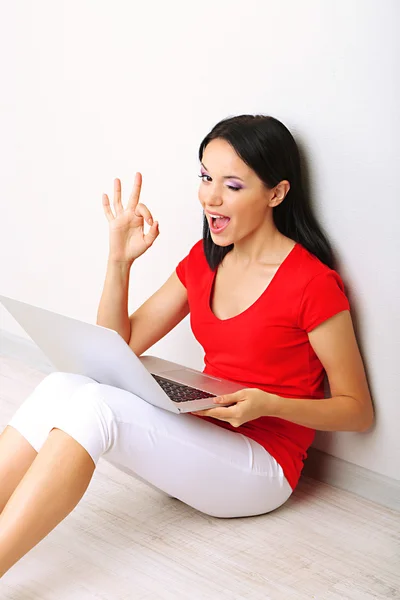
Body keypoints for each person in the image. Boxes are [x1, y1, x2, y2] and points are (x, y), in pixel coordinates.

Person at [0, 114, 374, 577]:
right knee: (65, 385)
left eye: (232, 185)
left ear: (276, 193)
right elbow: (119, 346)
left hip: (263, 466)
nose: (210, 197)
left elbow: (357, 410)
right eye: (205, 177)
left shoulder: (313, 284)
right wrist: (119, 261)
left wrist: (268, 404)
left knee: (96, 405)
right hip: (206, 438)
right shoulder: (205, 260)